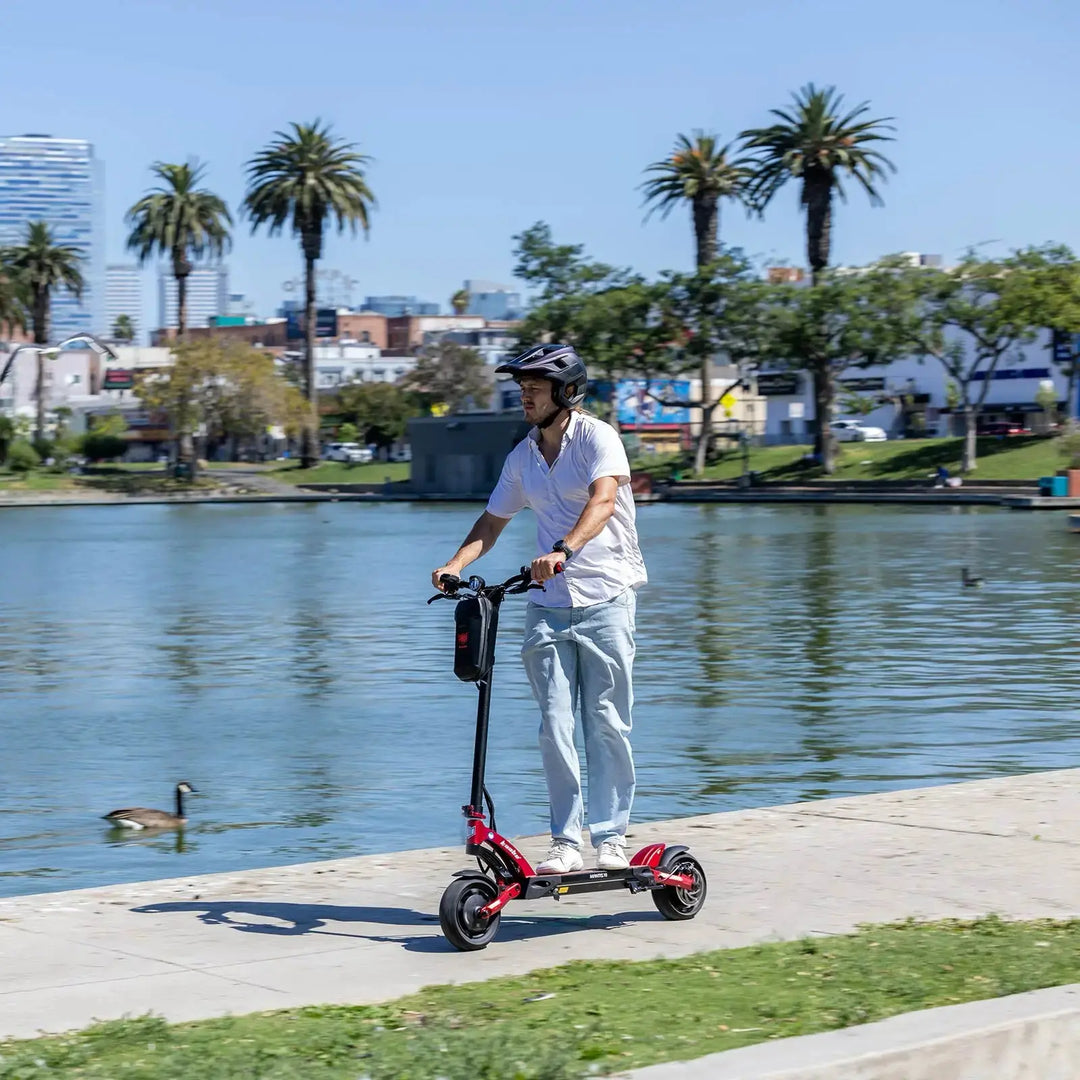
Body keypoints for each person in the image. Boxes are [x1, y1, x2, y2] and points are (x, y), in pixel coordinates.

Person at [431, 343, 647, 874]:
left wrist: (564, 550)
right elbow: (492, 521)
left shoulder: (598, 438)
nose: (524, 393)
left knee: (605, 721)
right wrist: (455, 564)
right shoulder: (522, 457)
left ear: (567, 391)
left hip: (607, 596)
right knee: (554, 724)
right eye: (521, 386)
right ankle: (566, 842)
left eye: (535, 386)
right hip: (547, 604)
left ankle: (612, 836)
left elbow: (603, 500)